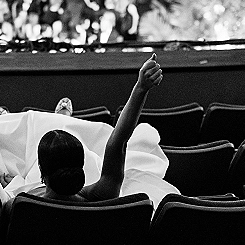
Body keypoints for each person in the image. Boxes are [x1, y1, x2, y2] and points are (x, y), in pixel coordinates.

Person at [32, 56, 162, 201]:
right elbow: (118, 142)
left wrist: (14, 189)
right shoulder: (102, 196)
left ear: (42, 173)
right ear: (81, 168)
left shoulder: (19, 205)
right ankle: (63, 119)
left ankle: (61, 119)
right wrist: (141, 88)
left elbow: (119, 143)